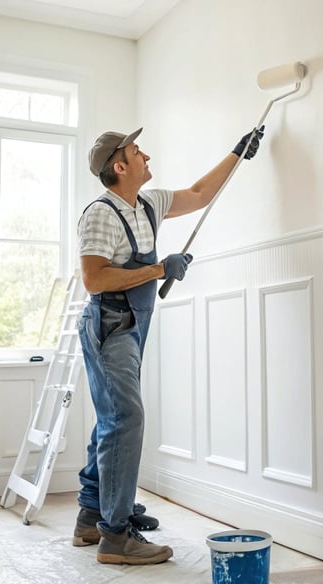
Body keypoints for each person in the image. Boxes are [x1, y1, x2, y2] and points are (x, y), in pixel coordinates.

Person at [73, 125, 264, 565]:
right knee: (126, 418)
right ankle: (116, 536)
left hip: (133, 325)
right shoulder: (101, 213)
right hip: (109, 325)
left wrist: (238, 152)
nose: (147, 156)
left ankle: (91, 514)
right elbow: (95, 278)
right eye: (138, 152)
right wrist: (160, 269)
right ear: (119, 167)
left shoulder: (149, 203)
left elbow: (199, 194)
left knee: (112, 419)